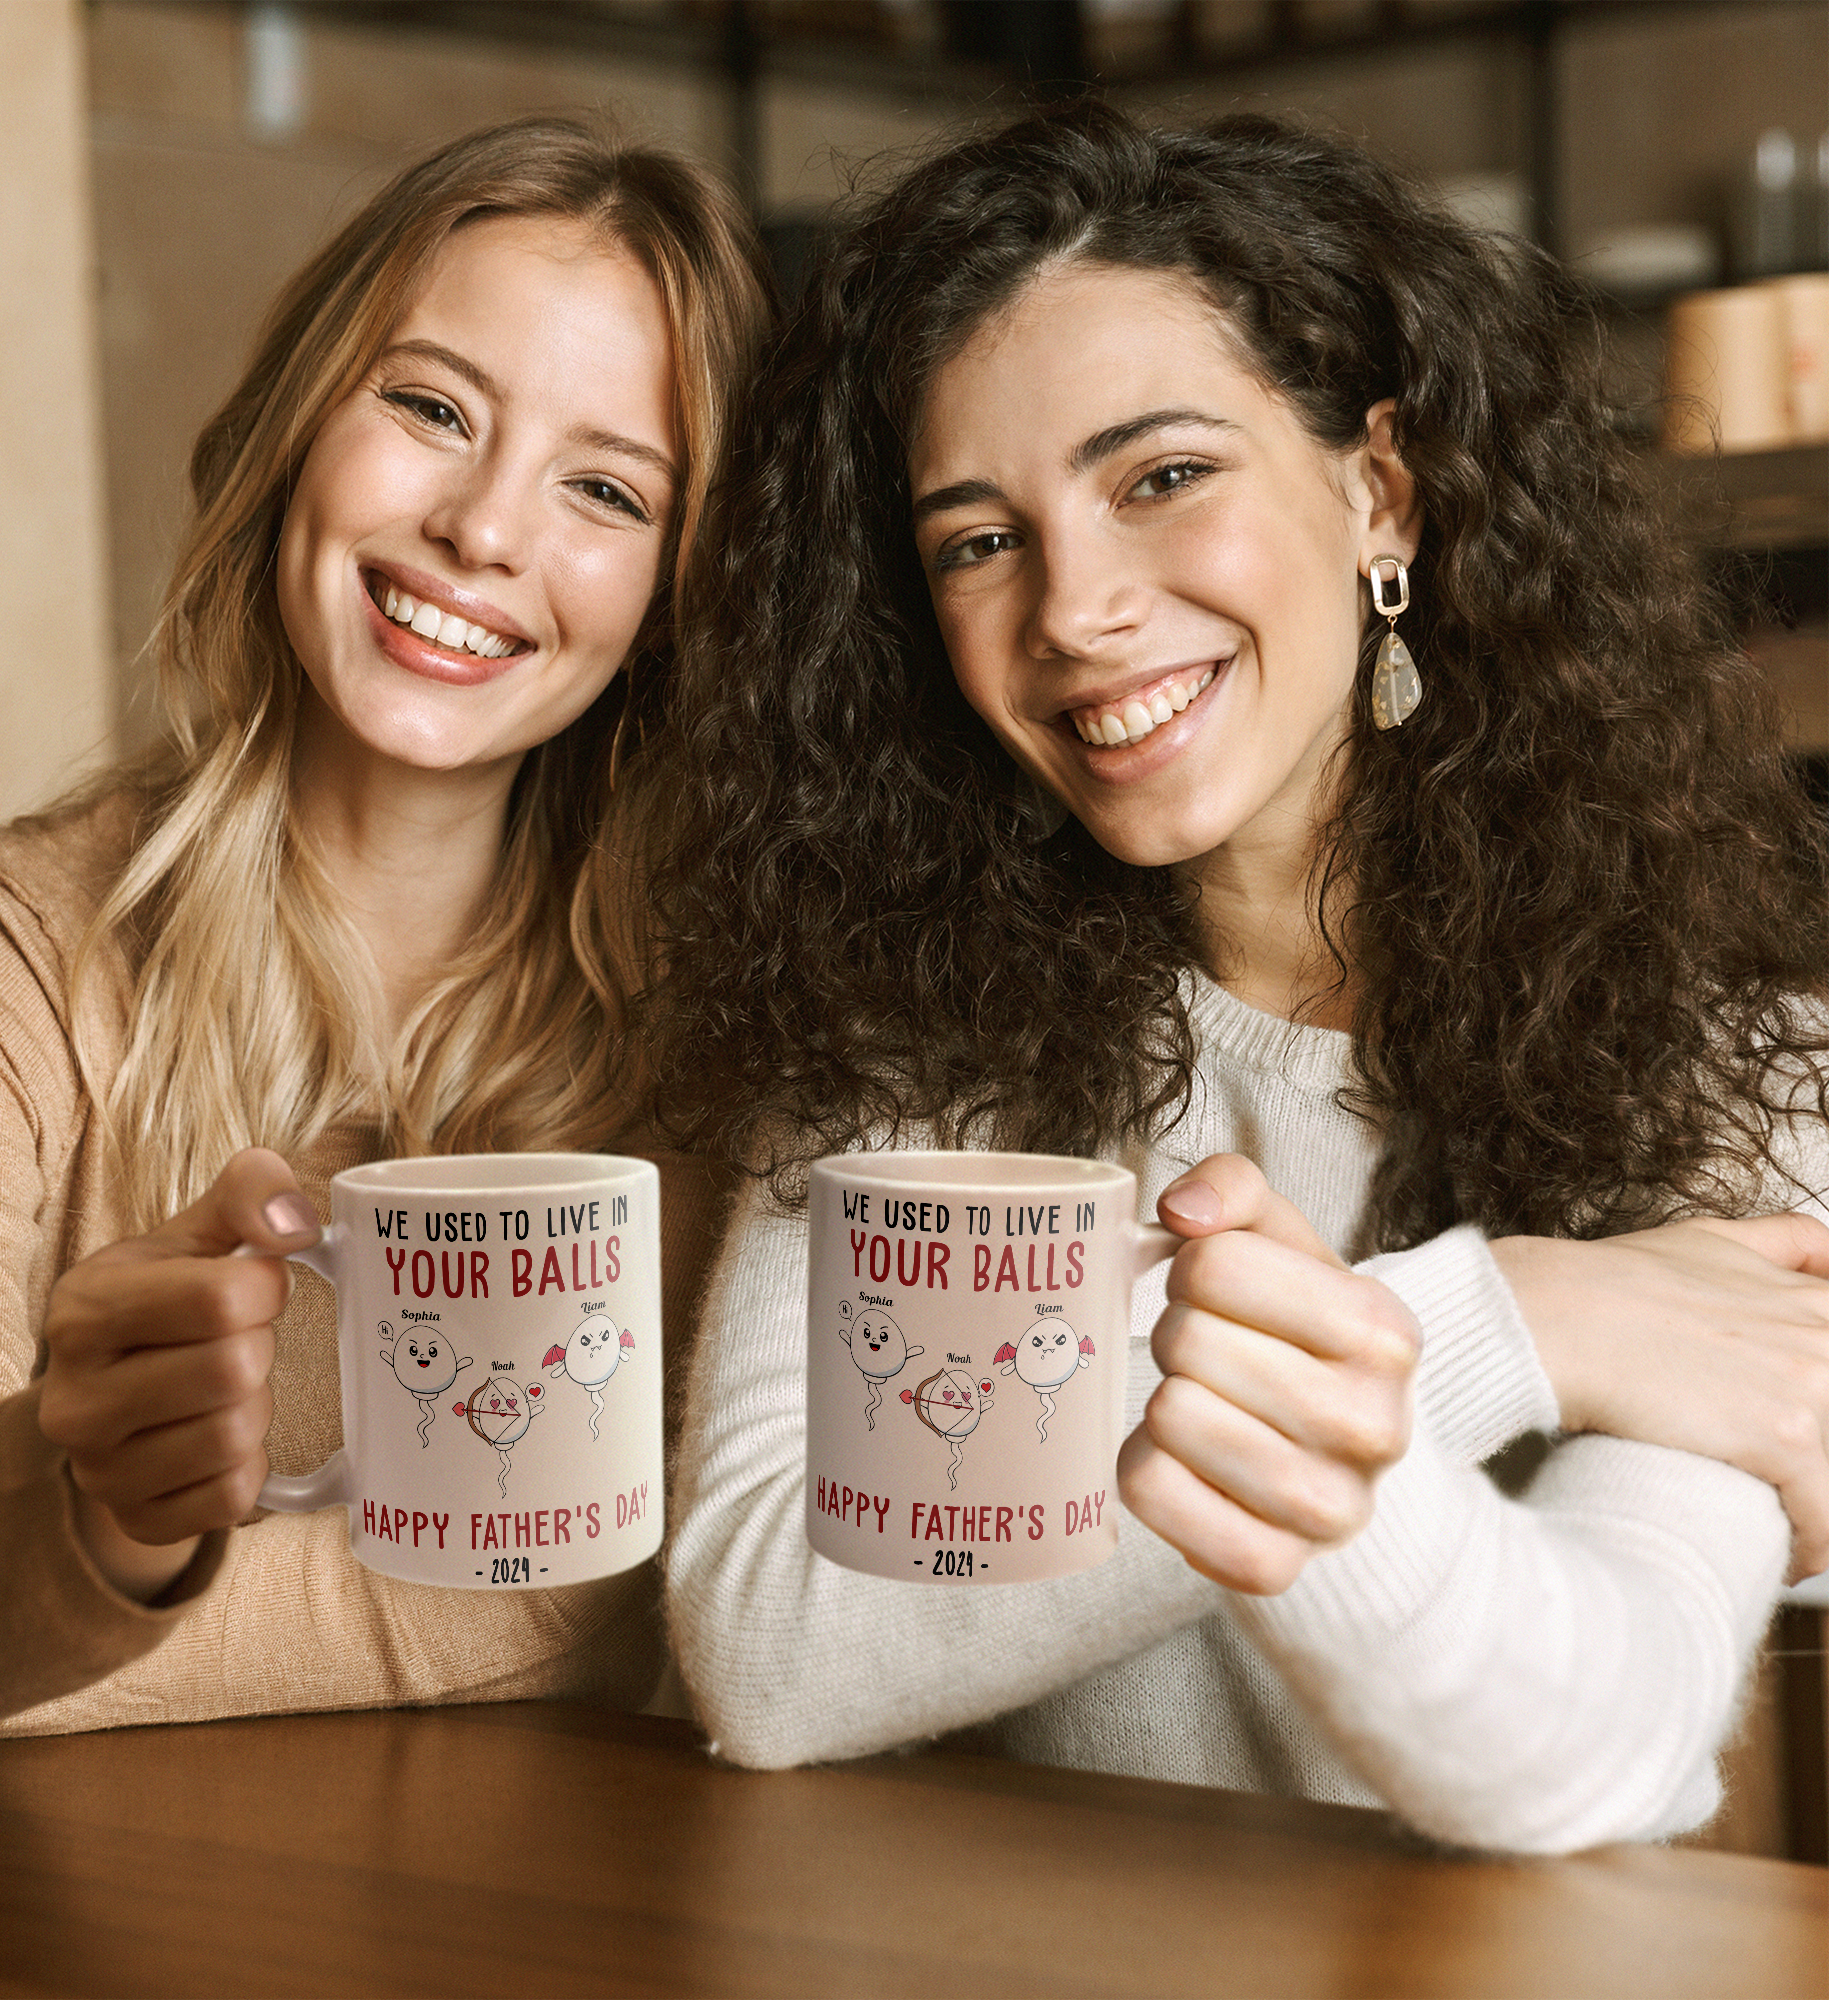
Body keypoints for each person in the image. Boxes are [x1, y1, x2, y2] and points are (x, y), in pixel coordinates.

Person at [648, 105, 1829, 1853]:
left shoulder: (1739, 1057)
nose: (1074, 606)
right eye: (979, 539)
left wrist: (1362, 1353)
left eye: (1161, 477)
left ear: (1381, 494)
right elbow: (766, 1646)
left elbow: (1591, 1743)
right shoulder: (907, 1043)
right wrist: (1503, 1323)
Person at [0, 119, 769, 1748]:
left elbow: (639, 1571)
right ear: (293, 431)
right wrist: (98, 1516)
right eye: (429, 408)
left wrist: (65, 1628)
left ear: (677, 594)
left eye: (606, 489)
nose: (485, 528)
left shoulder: (723, 1040)